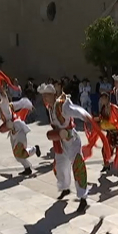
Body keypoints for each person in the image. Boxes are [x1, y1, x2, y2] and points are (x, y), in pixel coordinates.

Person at [37, 83, 91, 213]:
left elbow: (75, 110)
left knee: (77, 168)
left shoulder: (62, 104)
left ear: (53, 95)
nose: (45, 98)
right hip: (60, 142)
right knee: (60, 166)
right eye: (43, 96)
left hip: (71, 140)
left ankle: (83, 198)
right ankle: (65, 188)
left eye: (47, 95)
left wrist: (86, 117)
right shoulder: (50, 107)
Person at [0, 87, 40, 175]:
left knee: (19, 152)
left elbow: (5, 100)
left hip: (18, 128)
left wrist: (3, 94)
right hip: (13, 130)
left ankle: (35, 149)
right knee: (17, 155)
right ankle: (27, 168)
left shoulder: (3, 105)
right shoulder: (1, 108)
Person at [98, 92, 118, 181]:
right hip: (110, 132)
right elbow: (102, 119)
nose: (102, 100)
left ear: (107, 98)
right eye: (101, 98)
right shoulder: (103, 109)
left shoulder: (114, 108)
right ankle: (107, 165)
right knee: (105, 150)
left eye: (103, 98)